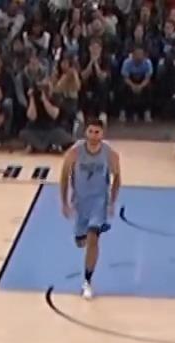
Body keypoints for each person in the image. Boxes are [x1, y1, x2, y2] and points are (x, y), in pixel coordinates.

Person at [60, 120, 120, 301]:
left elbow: (117, 178)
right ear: (85, 132)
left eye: (97, 132)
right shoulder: (75, 152)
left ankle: (87, 281)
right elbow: (64, 176)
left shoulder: (110, 154)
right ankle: (81, 235)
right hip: (80, 203)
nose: (94, 136)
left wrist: (112, 202)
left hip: (99, 203)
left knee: (93, 238)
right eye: (91, 131)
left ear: (103, 134)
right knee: (81, 242)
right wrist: (64, 202)